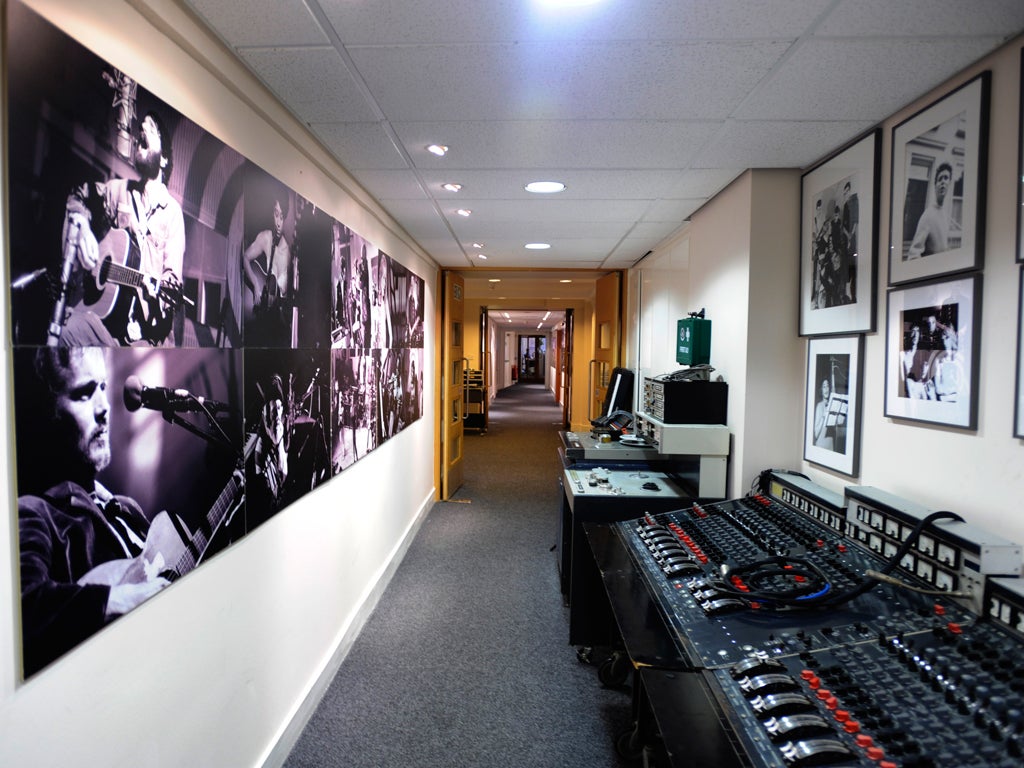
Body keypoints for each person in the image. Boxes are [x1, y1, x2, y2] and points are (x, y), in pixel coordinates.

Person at [15, 347, 170, 676]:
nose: (103, 409)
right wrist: (118, 600)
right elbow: (23, 607)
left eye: (102, 387)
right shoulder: (34, 513)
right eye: (84, 395)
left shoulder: (126, 508)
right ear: (48, 413)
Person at [59, 111, 184, 347]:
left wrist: (155, 289)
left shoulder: (173, 214)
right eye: (140, 130)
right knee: (63, 333)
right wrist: (83, 224)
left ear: (164, 159)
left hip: (146, 336)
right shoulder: (118, 190)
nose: (140, 132)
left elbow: (171, 279)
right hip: (105, 321)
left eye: (150, 129)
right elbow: (78, 196)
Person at [243, 195, 293, 346]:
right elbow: (245, 257)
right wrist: (256, 285)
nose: (278, 223)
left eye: (282, 217)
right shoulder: (265, 238)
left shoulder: (288, 254)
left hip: (275, 326)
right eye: (276, 215)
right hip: (258, 321)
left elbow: (284, 296)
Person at [907, 161, 953, 259]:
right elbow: (913, 255)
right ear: (935, 185)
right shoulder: (928, 216)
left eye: (946, 178)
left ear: (950, 183)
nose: (943, 182)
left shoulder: (945, 214)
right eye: (940, 179)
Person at [926, 325, 964, 402]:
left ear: (952, 338)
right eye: (942, 338)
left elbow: (961, 387)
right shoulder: (938, 361)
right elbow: (938, 389)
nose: (944, 340)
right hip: (943, 401)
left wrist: (948, 389)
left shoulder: (959, 359)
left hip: (957, 401)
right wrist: (951, 389)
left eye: (946, 337)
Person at [901, 323, 933, 399]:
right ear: (910, 334)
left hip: (920, 386)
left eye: (917, 331)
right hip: (908, 389)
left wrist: (923, 377)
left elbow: (926, 374)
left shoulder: (923, 353)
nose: (915, 334)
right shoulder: (904, 353)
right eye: (913, 331)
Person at [840, 181, 858, 301]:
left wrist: (851, 235)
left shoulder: (854, 202)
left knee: (852, 269)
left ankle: (852, 296)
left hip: (851, 240)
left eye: (847, 191)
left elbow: (855, 221)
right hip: (847, 239)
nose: (845, 194)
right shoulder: (846, 205)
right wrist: (847, 235)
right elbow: (844, 225)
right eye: (844, 192)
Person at [812, 377, 836, 451]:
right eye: (824, 386)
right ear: (821, 390)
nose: (826, 389)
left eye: (827, 386)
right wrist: (823, 417)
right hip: (821, 448)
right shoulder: (819, 406)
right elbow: (816, 434)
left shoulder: (832, 405)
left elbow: (839, 423)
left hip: (831, 446)